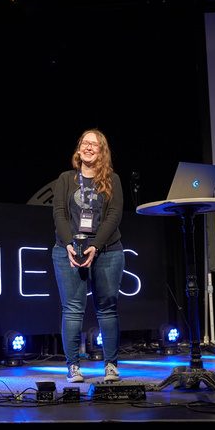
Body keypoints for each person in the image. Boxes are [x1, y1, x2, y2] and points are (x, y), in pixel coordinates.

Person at [52, 129, 124, 383]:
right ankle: (73, 366)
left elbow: (114, 215)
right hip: (69, 250)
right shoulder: (66, 178)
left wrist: (97, 245)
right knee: (72, 309)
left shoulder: (112, 179)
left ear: (102, 150)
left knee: (108, 309)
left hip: (107, 250)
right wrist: (69, 244)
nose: (88, 147)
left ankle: (111, 366)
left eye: (94, 144)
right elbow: (59, 213)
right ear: (79, 148)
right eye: (85, 143)